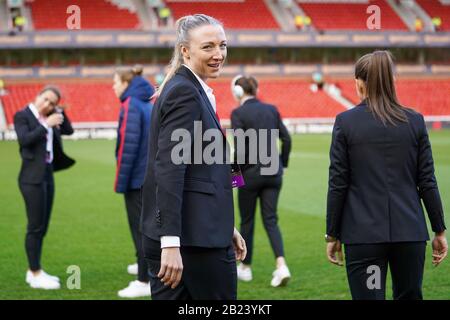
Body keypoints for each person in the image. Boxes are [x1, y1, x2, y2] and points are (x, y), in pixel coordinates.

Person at [326, 51, 448, 300]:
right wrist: (439, 231)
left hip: (363, 236)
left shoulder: (346, 122)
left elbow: (338, 183)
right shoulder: (414, 121)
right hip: (409, 233)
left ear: (359, 82)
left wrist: (332, 234)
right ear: (392, 80)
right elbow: (427, 181)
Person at [141, 14, 247, 300]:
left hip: (200, 232)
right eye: (208, 47)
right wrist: (171, 243)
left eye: (222, 45)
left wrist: (226, 225)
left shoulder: (190, 87)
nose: (218, 54)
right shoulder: (185, 92)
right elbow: (170, 168)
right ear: (185, 50)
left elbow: (205, 170)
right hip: (193, 243)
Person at [230, 75, 292, 287]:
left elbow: (240, 149)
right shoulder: (271, 109)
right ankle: (281, 265)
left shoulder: (238, 113)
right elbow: (287, 138)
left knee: (247, 221)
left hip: (250, 176)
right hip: (273, 174)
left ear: (238, 92)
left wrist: (234, 179)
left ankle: (245, 268)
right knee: (271, 220)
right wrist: (282, 163)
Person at [14, 86, 75, 290]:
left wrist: (60, 112)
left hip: (48, 174)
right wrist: (45, 125)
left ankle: (35, 271)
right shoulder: (22, 115)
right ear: (38, 96)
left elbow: (68, 130)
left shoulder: (51, 116)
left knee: (42, 226)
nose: (47, 105)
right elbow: (24, 140)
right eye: (46, 100)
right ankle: (34, 272)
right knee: (35, 227)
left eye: (52, 103)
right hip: (31, 178)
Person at [112, 65, 154, 298]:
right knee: (147, 226)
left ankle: (144, 280)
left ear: (127, 83)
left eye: (116, 82)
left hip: (137, 180)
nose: (113, 86)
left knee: (140, 229)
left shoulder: (131, 105)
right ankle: (144, 266)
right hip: (148, 177)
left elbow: (128, 147)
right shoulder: (146, 102)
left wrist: (121, 183)